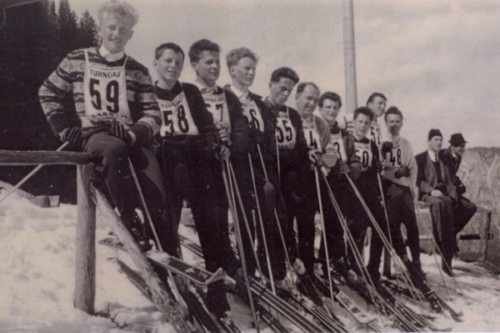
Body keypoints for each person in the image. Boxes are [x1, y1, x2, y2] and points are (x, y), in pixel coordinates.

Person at [39, 0, 166, 251]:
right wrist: (63, 128)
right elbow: (47, 91)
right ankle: (128, 220)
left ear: (130, 34)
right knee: (112, 150)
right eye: (111, 27)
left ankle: (163, 245)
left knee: (157, 185)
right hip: (96, 134)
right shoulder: (77, 59)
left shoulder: (137, 70)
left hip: (128, 135)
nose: (116, 34)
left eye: (122, 30)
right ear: (100, 28)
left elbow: (154, 113)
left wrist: (133, 133)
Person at [153, 42, 237, 319]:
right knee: (168, 218)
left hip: (195, 157)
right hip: (166, 158)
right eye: (167, 60)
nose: (172, 66)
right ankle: (162, 280)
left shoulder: (189, 91)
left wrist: (215, 144)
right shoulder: (148, 93)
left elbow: (206, 125)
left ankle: (216, 292)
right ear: (156, 62)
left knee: (210, 222)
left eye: (177, 61)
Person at [225, 47, 288, 286]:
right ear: (232, 70)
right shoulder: (225, 97)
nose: (251, 73)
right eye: (246, 68)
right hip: (236, 163)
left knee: (267, 203)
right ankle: (246, 266)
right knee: (243, 214)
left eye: (253, 69)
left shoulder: (257, 102)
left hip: (258, 163)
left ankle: (265, 262)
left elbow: (268, 131)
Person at [382, 108, 440, 309]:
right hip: (389, 190)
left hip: (405, 189)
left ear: (402, 123)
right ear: (385, 122)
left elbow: (413, 167)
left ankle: (416, 263)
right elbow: (381, 168)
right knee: (392, 227)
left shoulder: (405, 144)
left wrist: (411, 185)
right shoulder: (383, 142)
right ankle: (397, 261)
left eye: (397, 121)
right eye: (390, 121)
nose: (394, 124)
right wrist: (394, 173)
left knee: (412, 226)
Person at [264, 67, 310, 274]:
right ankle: (274, 266)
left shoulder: (292, 114)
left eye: (289, 91)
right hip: (270, 172)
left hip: (291, 175)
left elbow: (300, 146)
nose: (285, 94)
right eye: (282, 88)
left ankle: (293, 260)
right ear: (271, 84)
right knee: (275, 219)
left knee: (291, 217)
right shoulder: (261, 108)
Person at [317, 91, 362, 275]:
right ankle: (323, 259)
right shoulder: (316, 129)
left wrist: (350, 169)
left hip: (341, 181)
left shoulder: (346, 135)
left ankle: (336, 258)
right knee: (328, 220)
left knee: (337, 222)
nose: (331, 111)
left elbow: (355, 159)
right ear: (320, 109)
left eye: (335, 107)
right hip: (322, 179)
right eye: (328, 107)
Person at [349, 107, 388, 282]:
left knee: (382, 225)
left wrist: (378, 168)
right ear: (354, 122)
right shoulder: (347, 141)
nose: (363, 126)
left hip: (369, 191)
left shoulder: (371, 144)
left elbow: (374, 173)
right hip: (352, 191)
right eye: (360, 122)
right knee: (359, 227)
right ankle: (354, 264)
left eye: (366, 123)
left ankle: (373, 267)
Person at [416, 129, 458, 276]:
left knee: (450, 204)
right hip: (428, 194)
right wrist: (430, 191)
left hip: (444, 195)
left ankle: (447, 249)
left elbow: (451, 181)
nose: (439, 142)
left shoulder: (444, 160)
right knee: (439, 204)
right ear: (428, 141)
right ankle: (441, 241)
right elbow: (418, 180)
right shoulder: (420, 158)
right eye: (436, 139)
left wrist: (453, 196)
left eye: (440, 140)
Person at [440, 133, 477, 239]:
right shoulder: (443, 155)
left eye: (463, 146)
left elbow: (452, 175)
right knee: (453, 205)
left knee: (471, 207)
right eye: (461, 147)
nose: (463, 149)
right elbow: (444, 176)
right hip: (442, 189)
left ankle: (451, 232)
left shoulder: (458, 157)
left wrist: (459, 184)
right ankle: (447, 236)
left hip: (451, 188)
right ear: (453, 147)